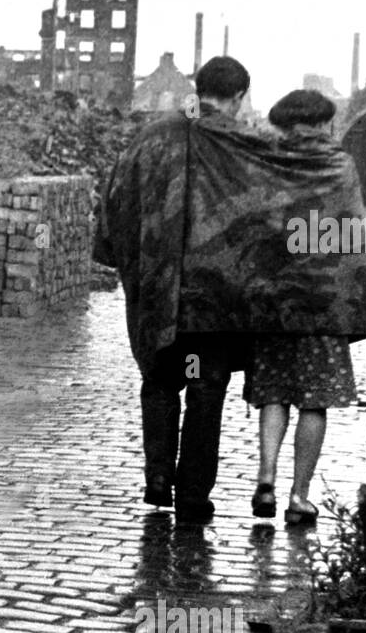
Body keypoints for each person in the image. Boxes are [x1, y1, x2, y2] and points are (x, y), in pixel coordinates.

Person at [96, 56, 260, 523]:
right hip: (215, 302)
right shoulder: (244, 144)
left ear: (196, 87)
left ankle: (157, 480)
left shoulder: (151, 136)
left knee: (161, 381)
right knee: (205, 389)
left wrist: (134, 266)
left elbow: (114, 206)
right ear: (239, 96)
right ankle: (193, 495)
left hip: (158, 295)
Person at [245, 89, 366, 525]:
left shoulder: (265, 162)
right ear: (323, 123)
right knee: (315, 400)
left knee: (273, 392)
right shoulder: (340, 166)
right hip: (323, 299)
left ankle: (265, 479)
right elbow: (350, 232)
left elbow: (252, 227)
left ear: (283, 123)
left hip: (275, 297)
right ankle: (299, 498)